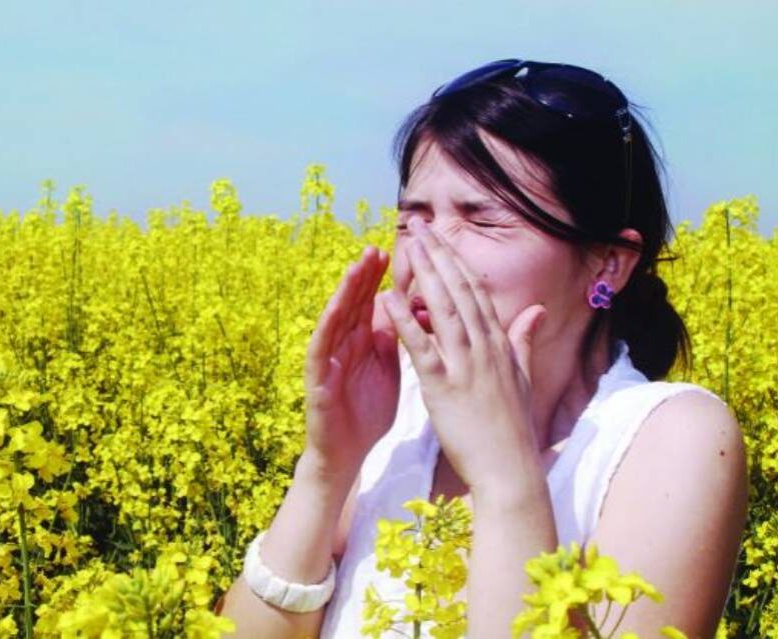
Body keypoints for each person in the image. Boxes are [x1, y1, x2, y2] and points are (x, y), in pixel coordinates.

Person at [215, 59, 749, 638]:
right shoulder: (400, 421)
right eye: (412, 219)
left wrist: (504, 477)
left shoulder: (673, 437)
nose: (427, 252)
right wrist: (326, 467)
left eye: (483, 220)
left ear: (608, 263)